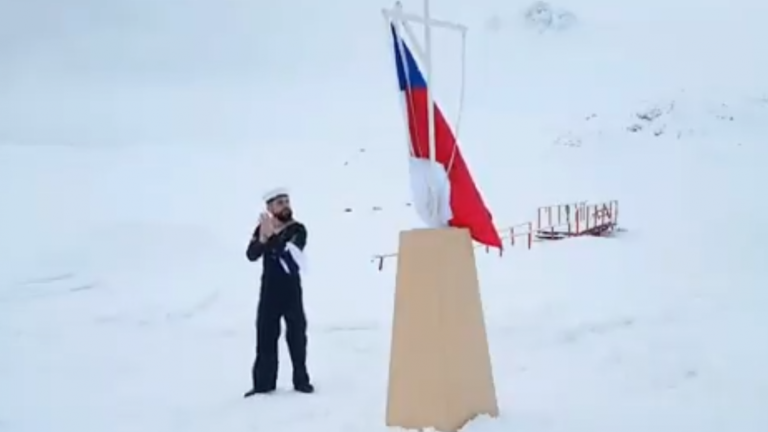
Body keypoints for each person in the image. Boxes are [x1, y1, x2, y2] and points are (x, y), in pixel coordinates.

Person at [243, 188, 313, 396]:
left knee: (297, 336)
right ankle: (263, 384)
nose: (285, 206)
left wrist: (271, 238)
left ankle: (301, 381)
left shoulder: (298, 229)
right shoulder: (263, 228)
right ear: (270, 208)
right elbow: (251, 255)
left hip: (291, 290)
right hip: (269, 291)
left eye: (286, 201)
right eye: (280, 203)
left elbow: (288, 255)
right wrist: (262, 239)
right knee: (265, 336)